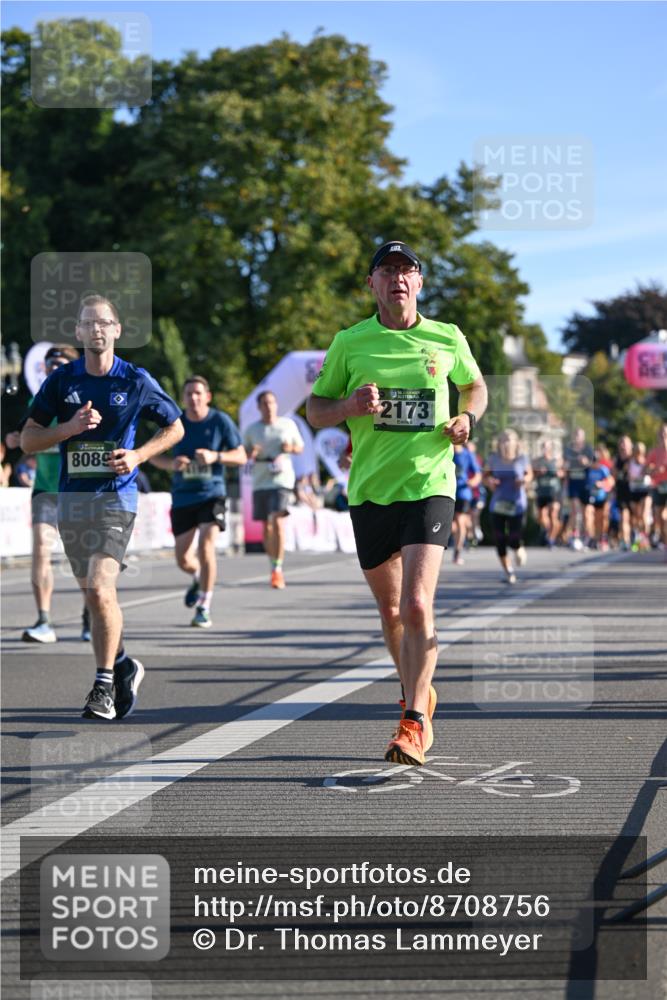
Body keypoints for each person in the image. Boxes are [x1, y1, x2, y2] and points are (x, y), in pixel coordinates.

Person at [307, 240, 487, 767]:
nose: (398, 279)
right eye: (387, 271)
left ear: (420, 283)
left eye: (407, 270)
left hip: (430, 484)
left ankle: (413, 719)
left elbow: (475, 387)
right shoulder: (350, 342)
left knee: (416, 605)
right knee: (390, 613)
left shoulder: (446, 337)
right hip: (370, 491)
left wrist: (468, 419)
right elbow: (317, 410)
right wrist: (347, 405)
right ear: (372, 285)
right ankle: (420, 691)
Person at [21, 295, 183, 721]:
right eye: (87, 323)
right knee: (96, 598)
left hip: (117, 496)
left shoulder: (135, 379)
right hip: (72, 498)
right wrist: (69, 429)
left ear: (116, 330)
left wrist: (139, 456)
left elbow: (175, 426)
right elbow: (27, 438)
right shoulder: (61, 381)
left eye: (104, 323)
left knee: (98, 586)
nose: (96, 329)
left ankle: (103, 686)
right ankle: (125, 663)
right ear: (77, 332)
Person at [7, 345, 93, 643]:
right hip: (45, 489)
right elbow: (23, 437)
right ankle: (44, 621)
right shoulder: (37, 400)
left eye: (59, 363)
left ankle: (90, 614)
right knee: (41, 551)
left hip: (77, 490)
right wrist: (15, 439)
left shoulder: (85, 400)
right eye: (48, 364)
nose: (52, 368)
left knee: (81, 559)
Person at [150, 375, 246, 628]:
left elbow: (241, 456)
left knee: (206, 547)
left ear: (207, 396)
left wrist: (216, 456)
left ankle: (204, 604)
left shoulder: (220, 421)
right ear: (182, 398)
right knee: (182, 558)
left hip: (212, 493)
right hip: (183, 496)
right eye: (188, 394)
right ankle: (197, 577)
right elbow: (150, 455)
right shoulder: (175, 422)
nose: (193, 398)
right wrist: (171, 463)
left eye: (198, 393)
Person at [243, 390, 304, 589]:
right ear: (259, 407)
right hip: (261, 480)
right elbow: (243, 454)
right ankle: (273, 565)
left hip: (282, 479)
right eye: (264, 403)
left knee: (277, 521)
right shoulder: (252, 429)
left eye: (271, 402)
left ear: (276, 405)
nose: (269, 406)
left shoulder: (288, 425)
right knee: (265, 527)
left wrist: (290, 449)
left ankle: (278, 569)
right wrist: (252, 453)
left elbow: (299, 447)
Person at [483, 429, 532, 583]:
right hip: (498, 504)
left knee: (513, 538)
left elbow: (529, 475)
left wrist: (524, 481)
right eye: (503, 439)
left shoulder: (522, 459)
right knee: (499, 539)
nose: (505, 442)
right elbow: (485, 476)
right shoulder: (493, 459)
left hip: (516, 504)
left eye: (509, 439)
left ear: (516, 442)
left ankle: (518, 548)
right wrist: (489, 482)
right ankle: (509, 571)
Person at [563, 427, 594, 549]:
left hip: (585, 485)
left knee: (586, 514)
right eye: (575, 434)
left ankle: (588, 537)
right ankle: (575, 536)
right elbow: (564, 464)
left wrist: (586, 462)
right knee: (576, 511)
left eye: (579, 435)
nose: (577, 437)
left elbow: (595, 464)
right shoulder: (568, 449)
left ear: (583, 437)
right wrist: (565, 466)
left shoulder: (588, 449)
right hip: (573, 484)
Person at [452, 443, 482, 565]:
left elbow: (478, 474)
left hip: (463, 493)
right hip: (446, 491)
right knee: (451, 525)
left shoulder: (467, 455)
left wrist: (472, 482)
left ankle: (457, 551)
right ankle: (468, 531)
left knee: (459, 520)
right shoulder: (445, 452)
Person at [532, 439, 563, 548]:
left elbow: (563, 473)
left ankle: (551, 539)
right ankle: (549, 531)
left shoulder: (557, 460)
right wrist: (538, 472)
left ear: (551, 448)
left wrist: (558, 473)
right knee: (541, 517)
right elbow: (531, 475)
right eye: (543, 447)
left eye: (547, 447)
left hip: (554, 492)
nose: (545, 449)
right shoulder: (537, 461)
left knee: (554, 514)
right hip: (541, 492)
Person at [584, 445, 614, 550]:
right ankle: (592, 537)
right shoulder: (587, 470)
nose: (594, 463)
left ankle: (602, 537)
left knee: (602, 518)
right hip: (591, 497)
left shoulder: (603, 470)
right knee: (589, 516)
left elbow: (611, 482)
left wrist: (601, 484)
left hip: (602, 497)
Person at [628, 441, 652, 549]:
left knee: (644, 515)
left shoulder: (646, 462)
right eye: (636, 450)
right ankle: (639, 538)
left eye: (640, 451)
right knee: (637, 516)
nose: (638, 452)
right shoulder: (630, 463)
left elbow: (650, 472)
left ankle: (645, 538)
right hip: (634, 490)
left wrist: (647, 470)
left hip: (644, 490)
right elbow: (628, 476)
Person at [647, 422, 667, 549]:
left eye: (665, 432)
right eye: (661, 433)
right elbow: (647, 469)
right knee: (659, 517)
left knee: (665, 517)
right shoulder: (654, 452)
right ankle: (665, 544)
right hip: (658, 486)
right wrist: (654, 470)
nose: (663, 435)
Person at [613, 435, 634, 551]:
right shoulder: (617, 459)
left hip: (635, 491)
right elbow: (614, 475)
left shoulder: (634, 458)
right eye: (621, 443)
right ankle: (625, 540)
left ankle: (637, 536)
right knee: (624, 516)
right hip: (621, 491)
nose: (623, 446)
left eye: (625, 443)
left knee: (635, 518)